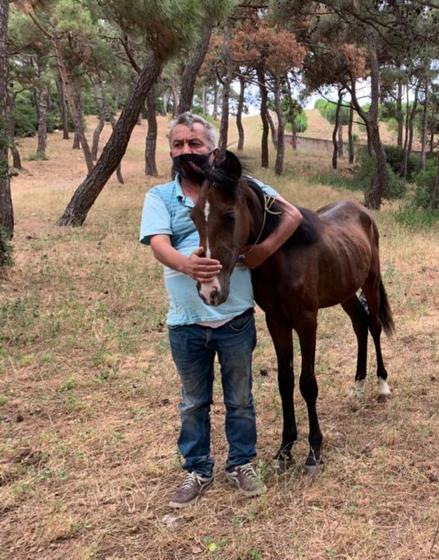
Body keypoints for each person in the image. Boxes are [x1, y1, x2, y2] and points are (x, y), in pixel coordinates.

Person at [139, 113, 302, 508]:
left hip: (234, 320)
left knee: (241, 398)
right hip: (185, 321)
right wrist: (185, 264)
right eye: (177, 144)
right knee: (193, 401)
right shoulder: (161, 197)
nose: (185, 152)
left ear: (213, 149)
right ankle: (196, 468)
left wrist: (264, 250)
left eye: (194, 144)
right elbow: (158, 243)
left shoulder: (244, 188)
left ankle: (242, 463)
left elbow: (293, 215)